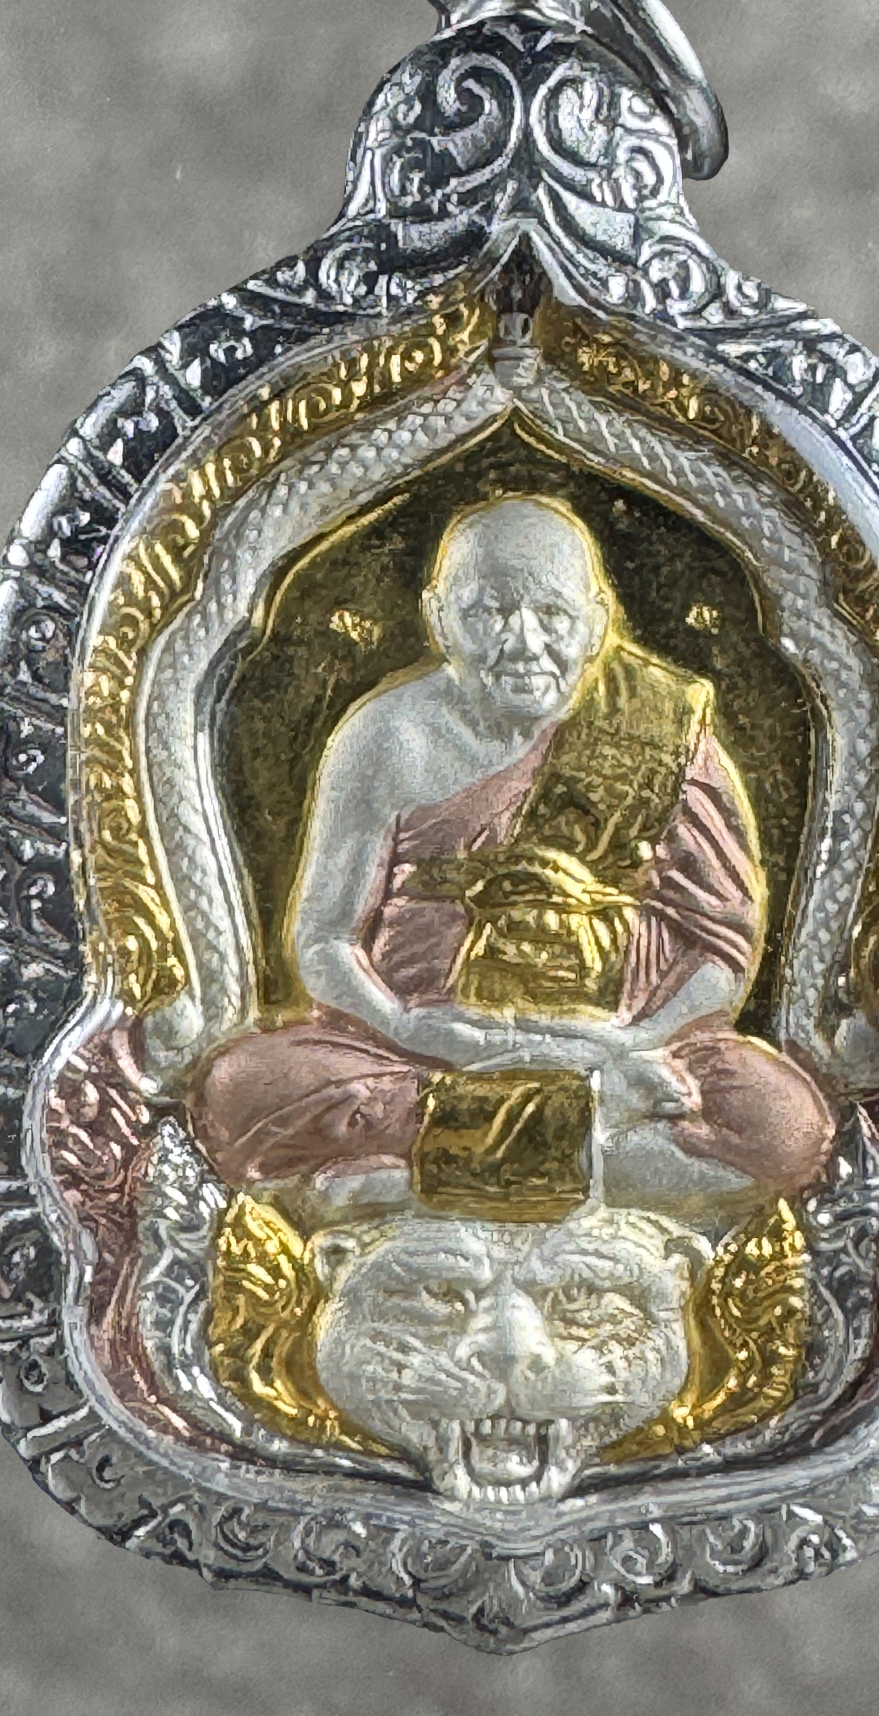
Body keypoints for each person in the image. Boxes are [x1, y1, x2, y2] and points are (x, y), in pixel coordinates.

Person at [186, 495, 835, 1224]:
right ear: (438, 620)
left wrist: (629, 1045)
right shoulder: (386, 737)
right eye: (489, 613)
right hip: (427, 1053)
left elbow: (722, 947)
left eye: (552, 615)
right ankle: (588, 1147)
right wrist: (408, 1025)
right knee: (239, 1091)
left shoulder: (664, 726)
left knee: (785, 1122)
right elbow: (324, 940)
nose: (523, 642)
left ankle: (426, 1177)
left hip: (627, 1050)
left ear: (597, 622)